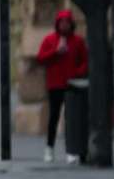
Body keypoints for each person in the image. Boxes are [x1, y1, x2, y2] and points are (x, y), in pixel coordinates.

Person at [35, 10, 88, 162]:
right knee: (54, 117)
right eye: (61, 22)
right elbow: (40, 58)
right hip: (55, 84)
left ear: (71, 24)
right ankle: (49, 148)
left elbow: (85, 61)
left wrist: (77, 73)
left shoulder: (77, 41)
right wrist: (55, 52)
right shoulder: (50, 40)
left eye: (67, 22)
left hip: (72, 84)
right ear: (57, 24)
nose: (64, 25)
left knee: (71, 119)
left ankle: (71, 151)